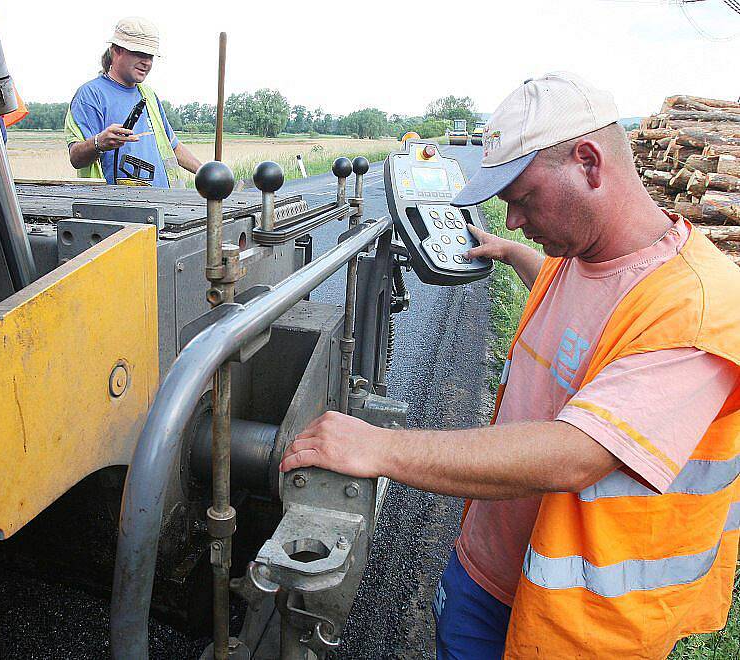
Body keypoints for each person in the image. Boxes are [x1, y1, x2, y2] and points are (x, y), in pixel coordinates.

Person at [280, 72, 740, 659]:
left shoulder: (698, 307)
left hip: (584, 623)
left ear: (589, 164)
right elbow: (570, 303)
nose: (515, 220)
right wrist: (506, 253)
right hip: (487, 574)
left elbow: (576, 453)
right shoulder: (578, 257)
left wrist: (378, 449)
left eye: (522, 201)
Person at [65, 17, 201, 187]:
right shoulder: (91, 95)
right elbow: (76, 158)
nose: (147, 62)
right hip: (116, 208)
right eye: (139, 54)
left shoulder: (148, 95)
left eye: (150, 56)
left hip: (162, 203)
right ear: (116, 51)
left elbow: (173, 146)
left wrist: (205, 171)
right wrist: (98, 143)